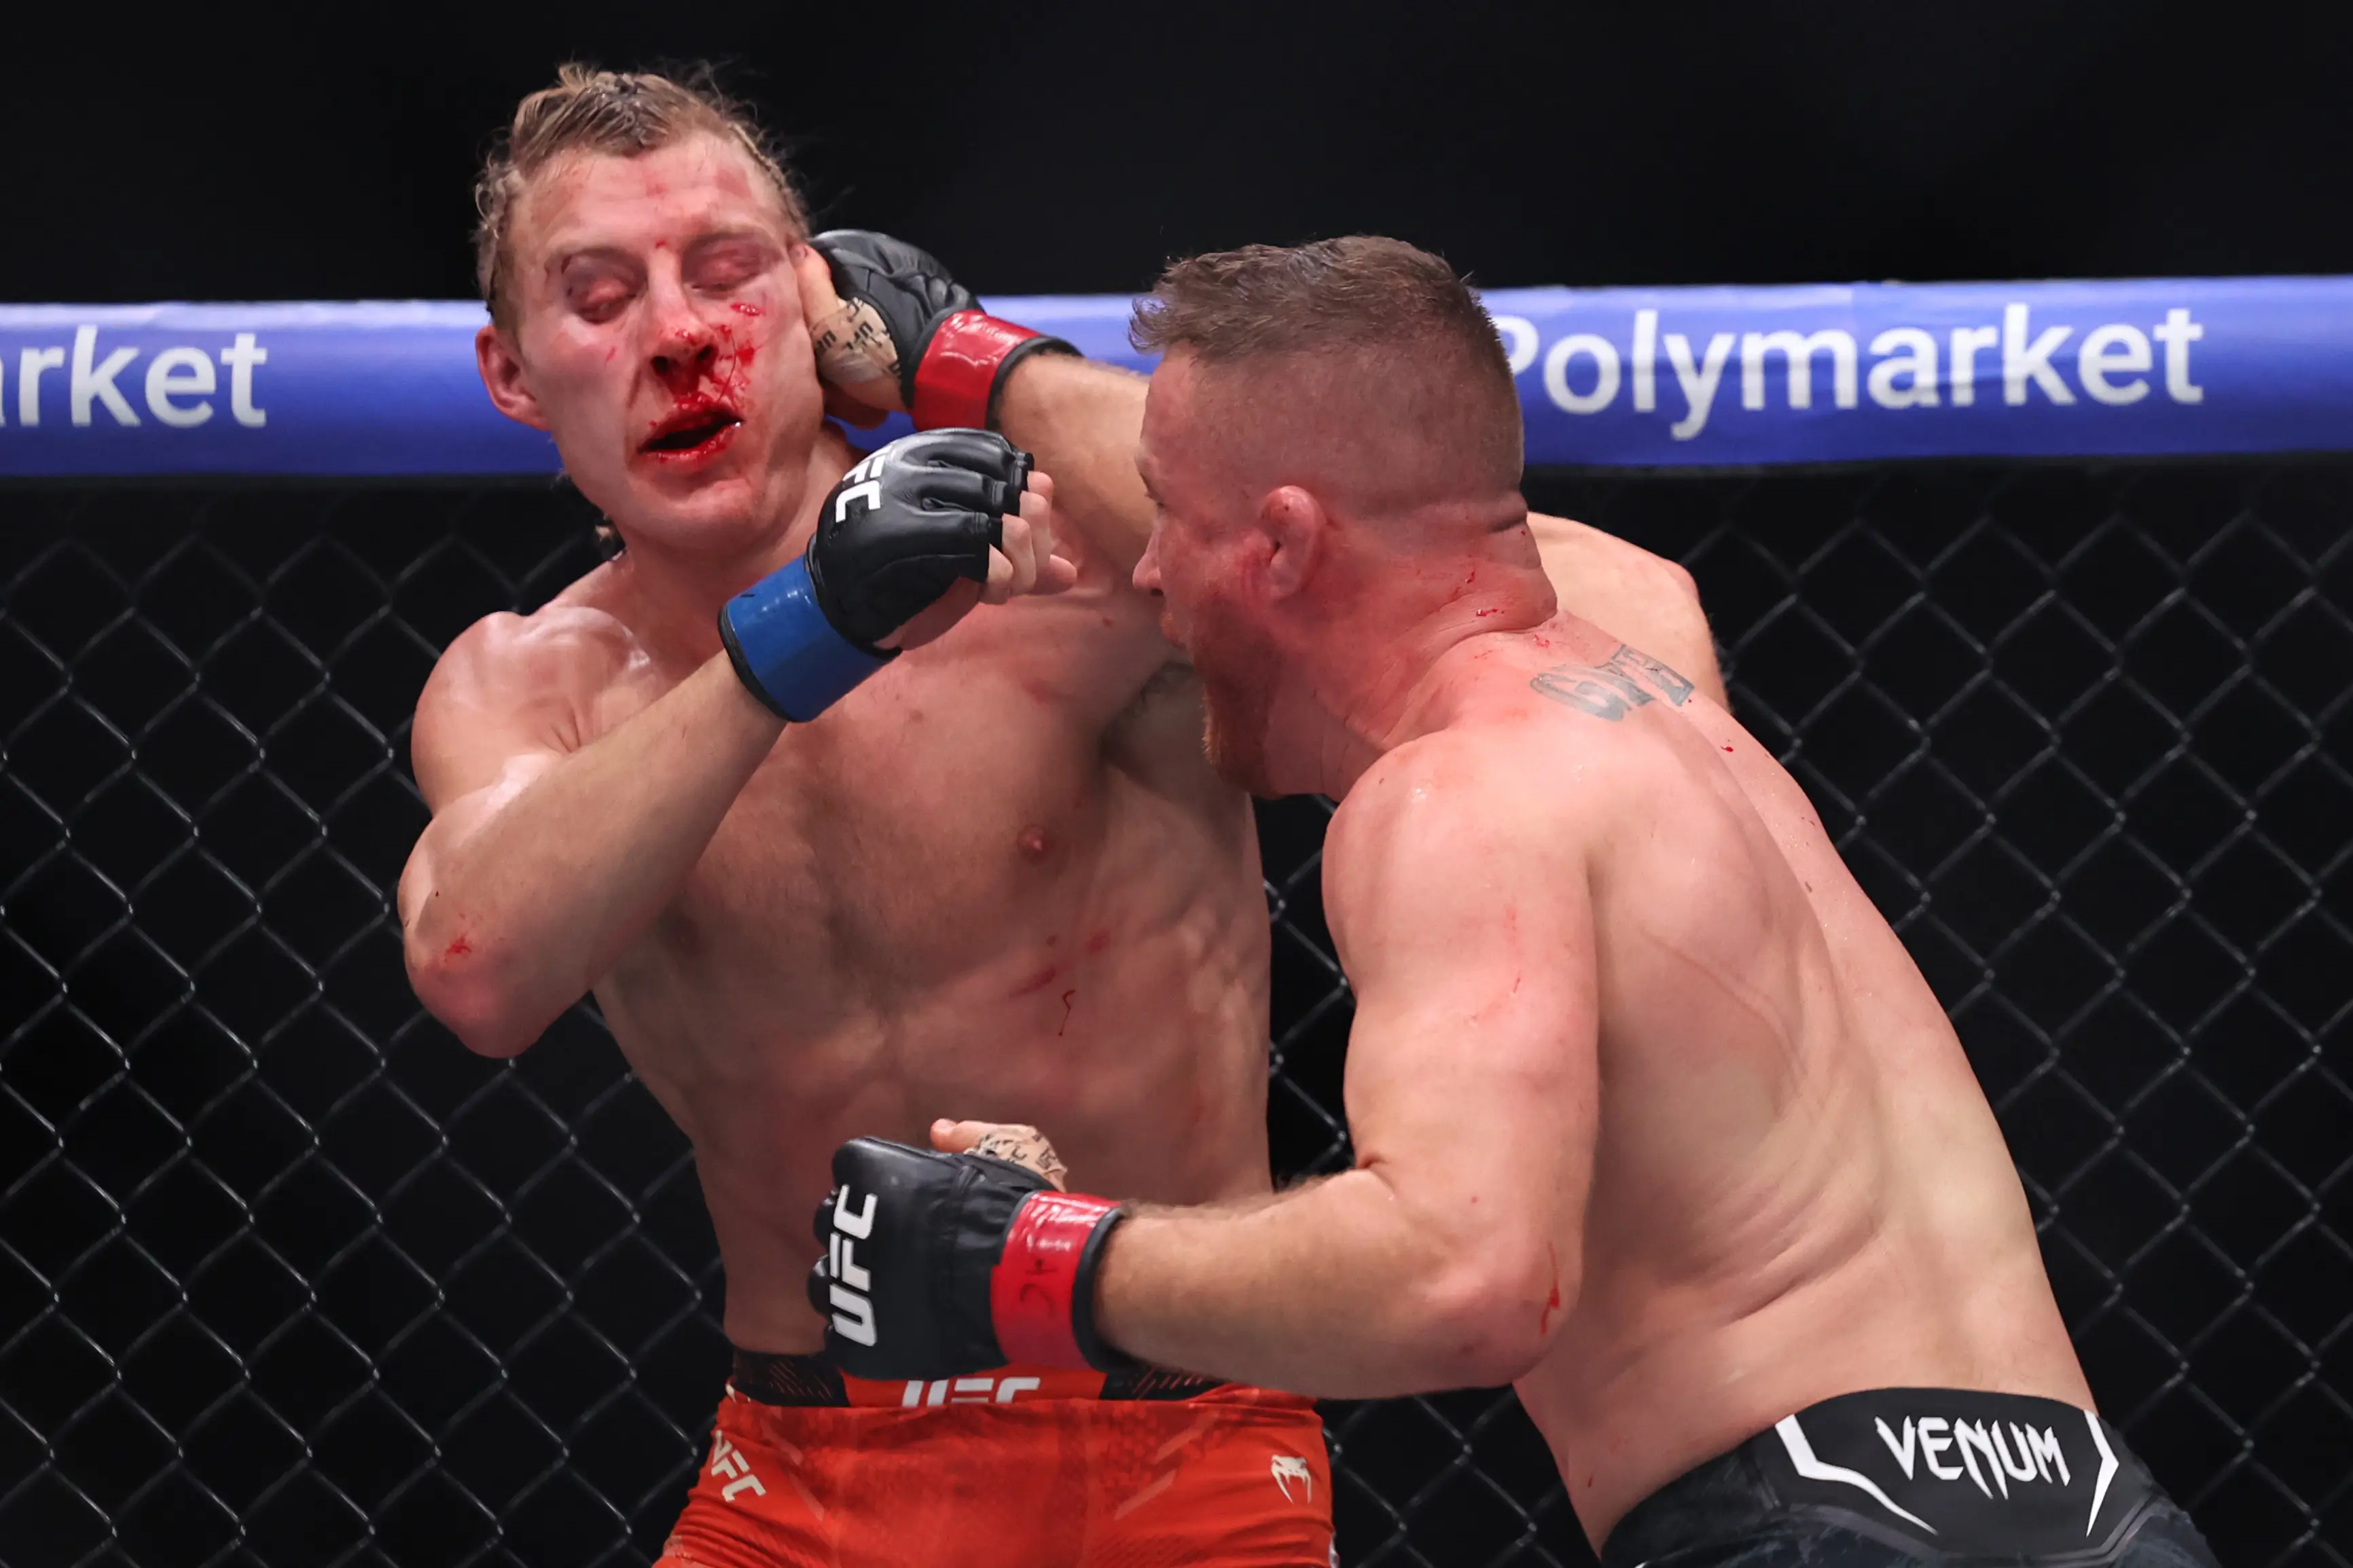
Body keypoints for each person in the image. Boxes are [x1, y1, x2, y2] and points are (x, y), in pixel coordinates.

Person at [397, 67, 1727, 1568]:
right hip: (805, 1467)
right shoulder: (536, 684)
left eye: (725, 272)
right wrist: (810, 628)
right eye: (600, 294)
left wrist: (981, 366)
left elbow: (1632, 619)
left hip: (1176, 1437)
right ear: (513, 372)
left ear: (815, 300)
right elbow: (476, 966)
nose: (682, 334)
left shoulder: (1078, 552)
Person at [809, 238, 2226, 1568]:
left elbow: (1467, 1270)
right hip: (2105, 1508)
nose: (1149, 565)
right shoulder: (1654, 678)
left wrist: (1035, 1259)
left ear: (1287, 544)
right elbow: (1463, 507)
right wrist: (973, 360)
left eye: (1173, 514)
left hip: (1813, 1521)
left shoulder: (1456, 797)